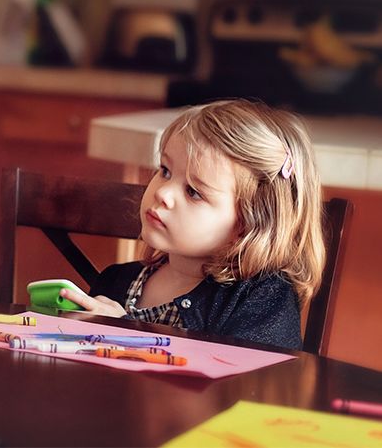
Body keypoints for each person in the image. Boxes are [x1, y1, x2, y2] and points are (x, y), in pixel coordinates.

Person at [60, 99, 325, 350]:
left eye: (193, 192)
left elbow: (243, 379)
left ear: (248, 223)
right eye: (165, 171)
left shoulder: (261, 300)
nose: (162, 193)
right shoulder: (116, 282)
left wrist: (127, 332)